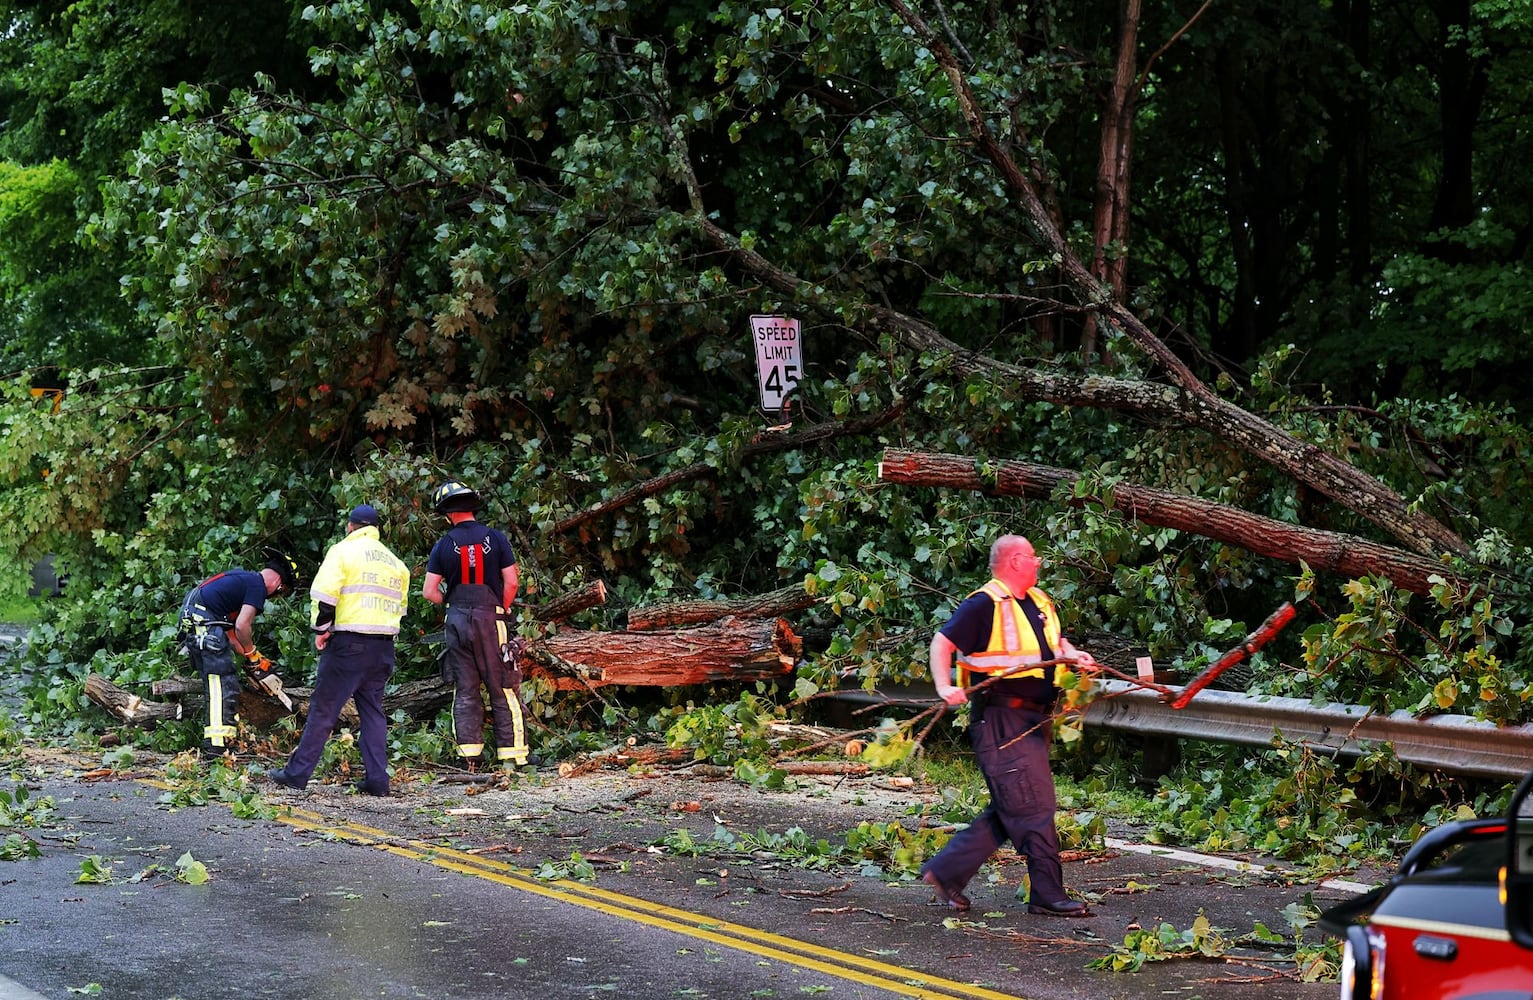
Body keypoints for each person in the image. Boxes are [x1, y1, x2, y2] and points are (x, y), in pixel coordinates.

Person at [919, 534, 1099, 918]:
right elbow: (941, 642)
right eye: (1034, 556)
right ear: (1016, 561)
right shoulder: (983, 604)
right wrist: (943, 685)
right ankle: (1047, 894)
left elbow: (1054, 643)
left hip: (1035, 717)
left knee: (1014, 803)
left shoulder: (1039, 601)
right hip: (1001, 718)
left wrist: (1072, 655)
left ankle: (946, 871)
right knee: (1033, 805)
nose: (1038, 563)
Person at [268, 505, 409, 796]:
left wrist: (322, 631)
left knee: (323, 710)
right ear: (377, 530)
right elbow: (401, 610)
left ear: (350, 526)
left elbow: (324, 596)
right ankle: (378, 780)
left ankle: (297, 774)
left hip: (349, 645)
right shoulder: (397, 564)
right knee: (372, 712)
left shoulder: (343, 552)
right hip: (383, 648)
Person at [422, 480, 529, 770]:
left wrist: (451, 601)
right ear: (472, 507)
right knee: (503, 686)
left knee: (466, 689)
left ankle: (470, 756)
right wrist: (503, 607)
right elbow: (513, 581)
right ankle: (513, 756)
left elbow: (429, 591)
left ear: (448, 513)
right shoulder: (496, 538)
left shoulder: (442, 545)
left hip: (456, 619)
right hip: (490, 620)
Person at [177, 551, 299, 755]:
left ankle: (223, 741)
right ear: (280, 583)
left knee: (224, 682)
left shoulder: (242, 581)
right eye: (282, 590)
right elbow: (242, 626)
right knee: (220, 685)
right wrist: (251, 651)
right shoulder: (256, 585)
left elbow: (232, 634)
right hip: (206, 628)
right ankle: (215, 746)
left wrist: (254, 659)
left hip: (200, 625)